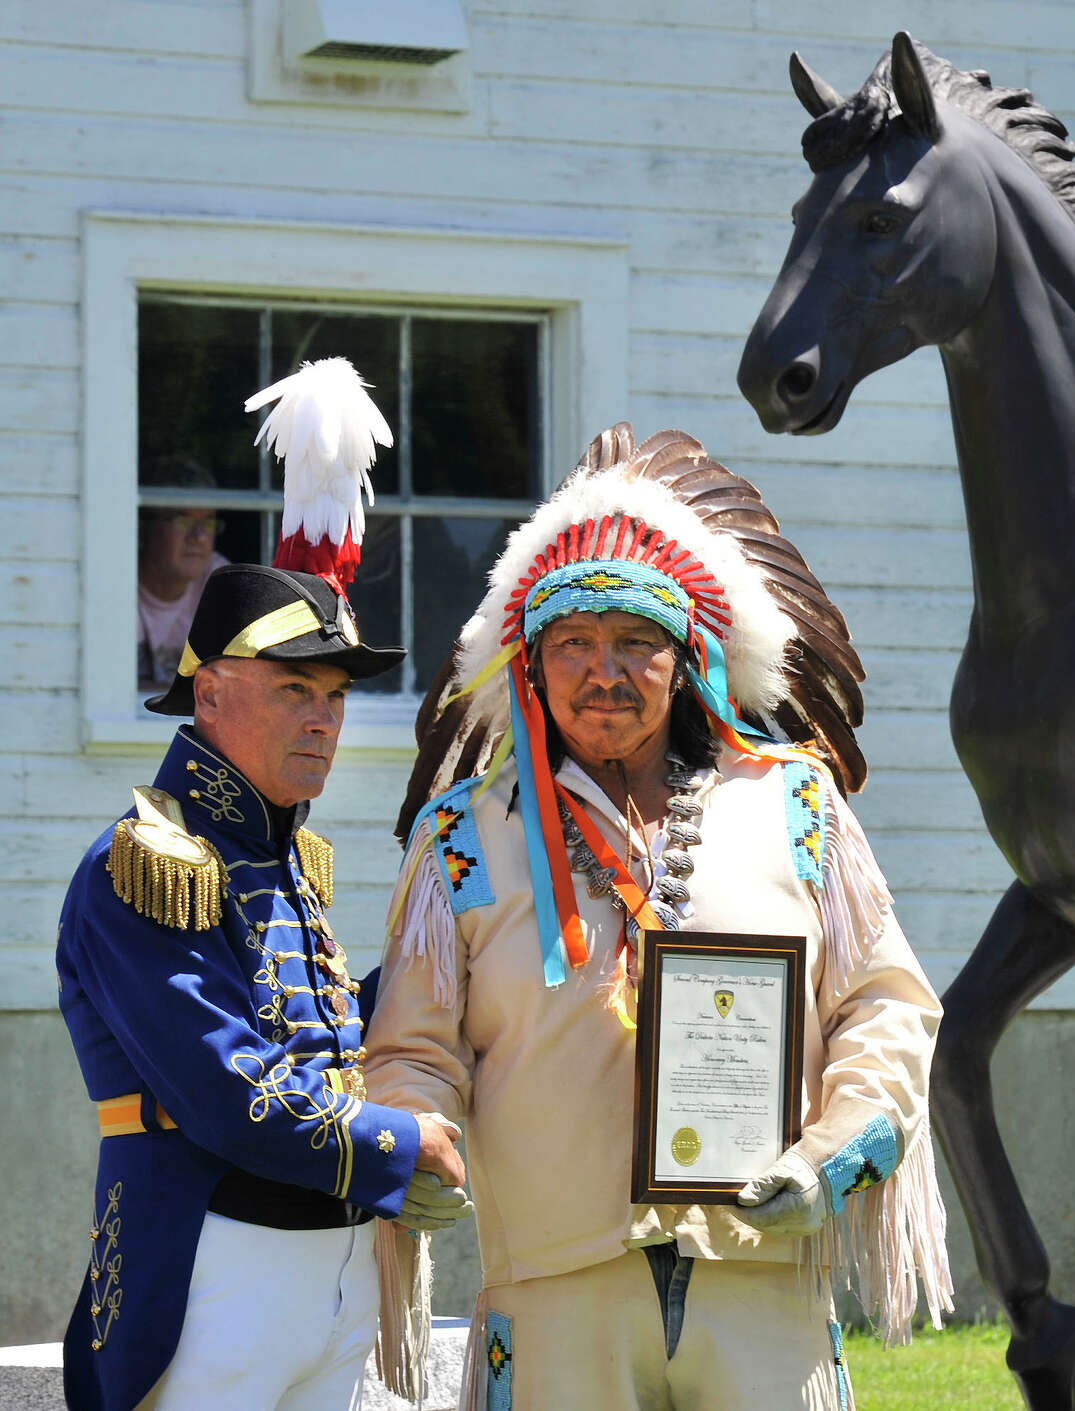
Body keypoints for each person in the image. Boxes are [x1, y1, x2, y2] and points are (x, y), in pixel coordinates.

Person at [366, 424, 954, 1411]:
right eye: (576, 644)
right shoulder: (465, 837)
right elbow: (414, 1045)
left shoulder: (794, 807)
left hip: (760, 1275)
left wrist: (830, 1154)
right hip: (557, 1293)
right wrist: (417, 1136)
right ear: (532, 665)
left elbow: (886, 1006)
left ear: (686, 661)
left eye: (637, 642)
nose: (606, 671)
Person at [58, 363, 473, 1411]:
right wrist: (398, 1138)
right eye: (295, 689)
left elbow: (326, 1039)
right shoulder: (146, 862)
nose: (325, 720)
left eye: (333, 696)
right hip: (212, 1265)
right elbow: (223, 1086)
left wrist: (455, 964)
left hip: (327, 1269)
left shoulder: (286, 859)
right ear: (209, 693)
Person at [137, 459, 230, 691]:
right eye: (183, 519)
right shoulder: (115, 580)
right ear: (143, 527)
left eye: (208, 523)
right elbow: (110, 687)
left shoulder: (217, 580)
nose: (198, 536)